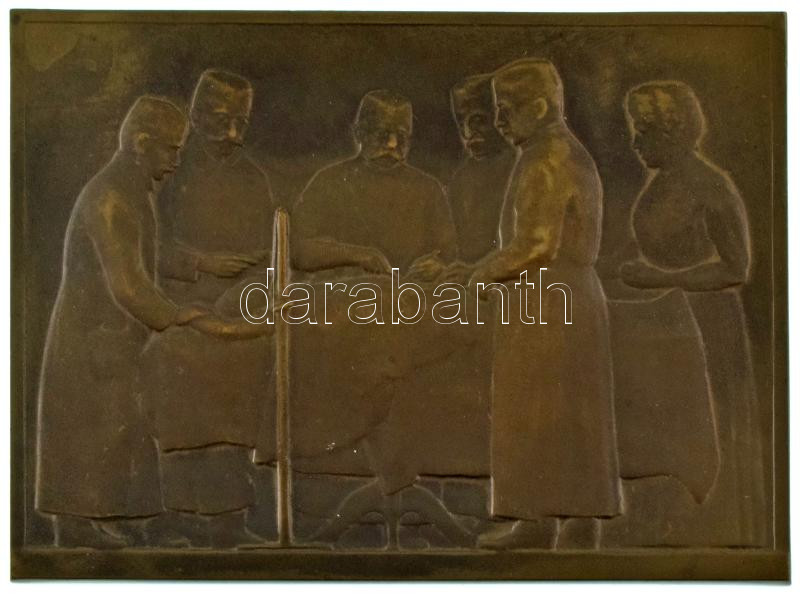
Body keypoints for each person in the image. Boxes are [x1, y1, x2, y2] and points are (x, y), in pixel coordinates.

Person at [448, 58, 621, 549]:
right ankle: (555, 524)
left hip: (549, 302)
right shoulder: (557, 152)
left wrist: (481, 273)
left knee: (541, 411)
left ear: (540, 107)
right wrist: (479, 266)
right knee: (561, 415)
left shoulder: (549, 157)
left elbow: (538, 244)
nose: (499, 120)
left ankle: (549, 524)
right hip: (559, 298)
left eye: (507, 109)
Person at [35, 96, 211, 548]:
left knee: (126, 431)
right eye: (171, 149)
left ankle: (124, 517)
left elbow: (144, 250)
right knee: (93, 432)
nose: (176, 161)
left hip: (115, 340)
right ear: (141, 143)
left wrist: (199, 264)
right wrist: (176, 316)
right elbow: (129, 285)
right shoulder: (110, 196)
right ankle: (77, 527)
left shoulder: (130, 189)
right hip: (92, 341)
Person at [612, 81, 766, 546]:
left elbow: (735, 268)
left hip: (707, 324)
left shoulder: (710, 185)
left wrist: (661, 279)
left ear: (674, 130)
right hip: (667, 323)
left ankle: (707, 531)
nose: (635, 142)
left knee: (708, 429)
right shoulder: (661, 183)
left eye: (644, 130)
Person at [153, 69, 276, 547]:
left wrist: (249, 283)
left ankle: (228, 517)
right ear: (196, 114)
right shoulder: (168, 171)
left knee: (242, 387)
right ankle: (176, 514)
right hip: (176, 311)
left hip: (236, 312)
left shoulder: (252, 178)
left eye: (241, 123)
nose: (231, 134)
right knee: (182, 388)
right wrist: (201, 266)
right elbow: (144, 246)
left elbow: (268, 253)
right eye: (221, 120)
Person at [292, 89, 456, 277]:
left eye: (401, 136)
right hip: (345, 292)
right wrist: (358, 256)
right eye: (382, 134)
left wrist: (438, 265)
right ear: (359, 133)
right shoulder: (328, 181)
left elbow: (448, 254)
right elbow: (297, 250)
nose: (392, 144)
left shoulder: (429, 189)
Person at [447, 73, 518, 263]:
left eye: (478, 120)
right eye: (461, 123)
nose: (468, 133)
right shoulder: (461, 178)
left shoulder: (522, 165)